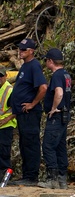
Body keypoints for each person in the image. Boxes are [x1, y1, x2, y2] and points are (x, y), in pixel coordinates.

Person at [10, 38, 47, 186]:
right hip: (22, 113)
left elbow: (43, 87)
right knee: (24, 143)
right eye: (20, 49)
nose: (21, 52)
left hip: (30, 113)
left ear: (32, 51)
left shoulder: (34, 66)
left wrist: (33, 103)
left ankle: (32, 176)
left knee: (31, 143)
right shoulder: (25, 66)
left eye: (24, 50)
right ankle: (26, 175)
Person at [38, 48, 71, 189]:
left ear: (50, 61)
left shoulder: (57, 75)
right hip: (65, 114)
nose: (45, 62)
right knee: (60, 146)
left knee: (48, 146)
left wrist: (53, 108)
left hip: (57, 115)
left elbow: (59, 93)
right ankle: (62, 178)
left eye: (46, 60)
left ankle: (52, 178)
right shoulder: (66, 75)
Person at [0, 70, 16, 178]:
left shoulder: (9, 90)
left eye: (0, 76)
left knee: (3, 152)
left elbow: (16, 109)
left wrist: (5, 120)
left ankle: (5, 176)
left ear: (6, 76)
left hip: (6, 126)